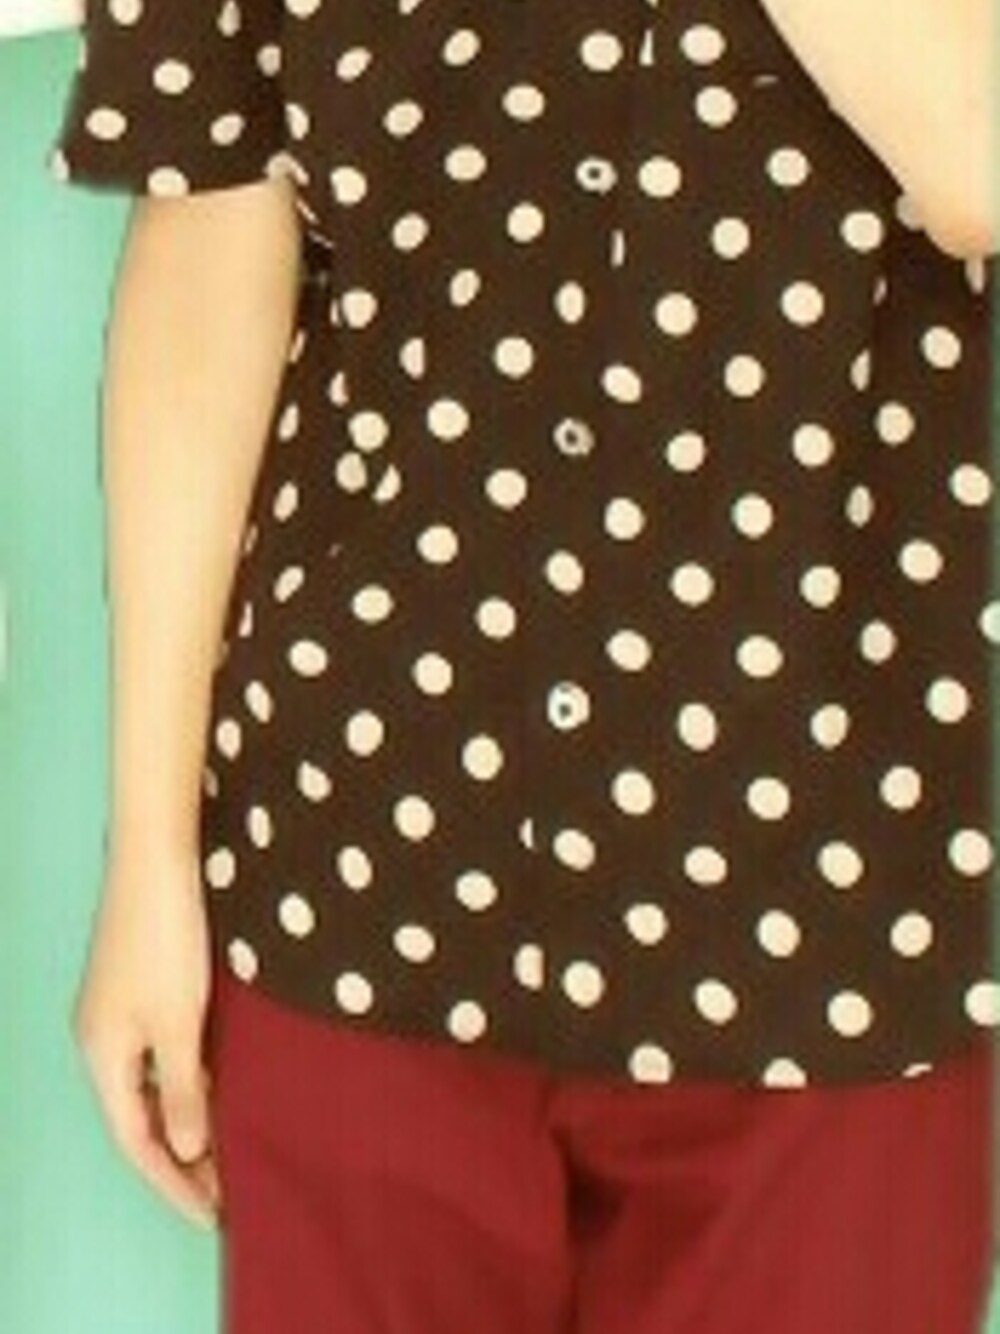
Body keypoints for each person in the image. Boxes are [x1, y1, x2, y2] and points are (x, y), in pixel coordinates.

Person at [48, 1, 998, 1330]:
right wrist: (149, 858)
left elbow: (976, 160)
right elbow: (208, 234)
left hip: (845, 889)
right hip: (358, 862)